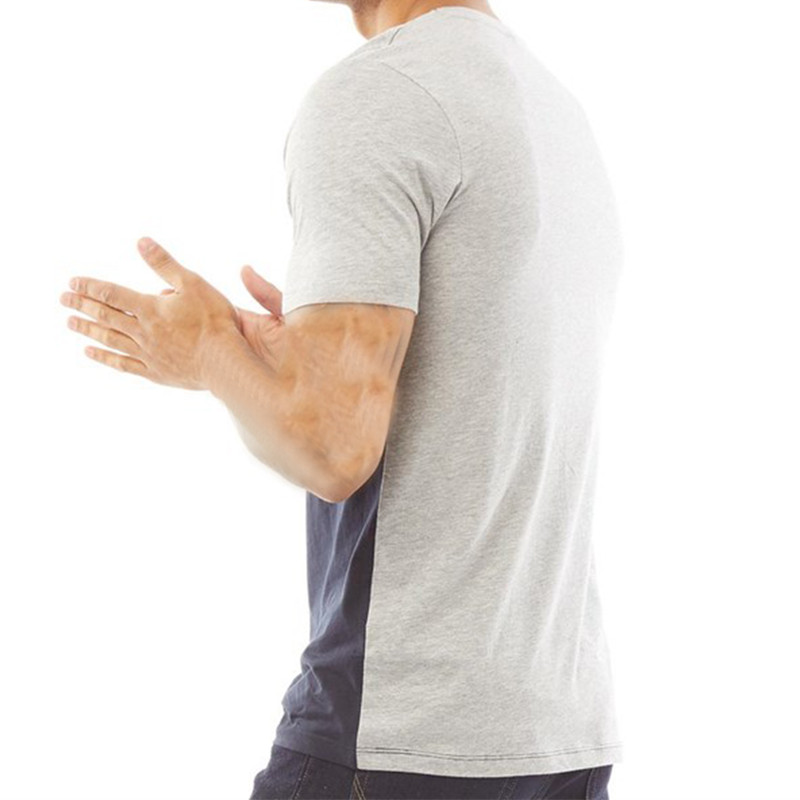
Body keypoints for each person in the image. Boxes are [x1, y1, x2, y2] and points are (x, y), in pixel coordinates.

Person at [60, 1, 624, 798]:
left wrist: (208, 351)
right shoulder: (550, 107)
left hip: (406, 735)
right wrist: (291, 365)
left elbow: (330, 449)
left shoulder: (382, 92)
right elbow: (477, 375)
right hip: (557, 732)